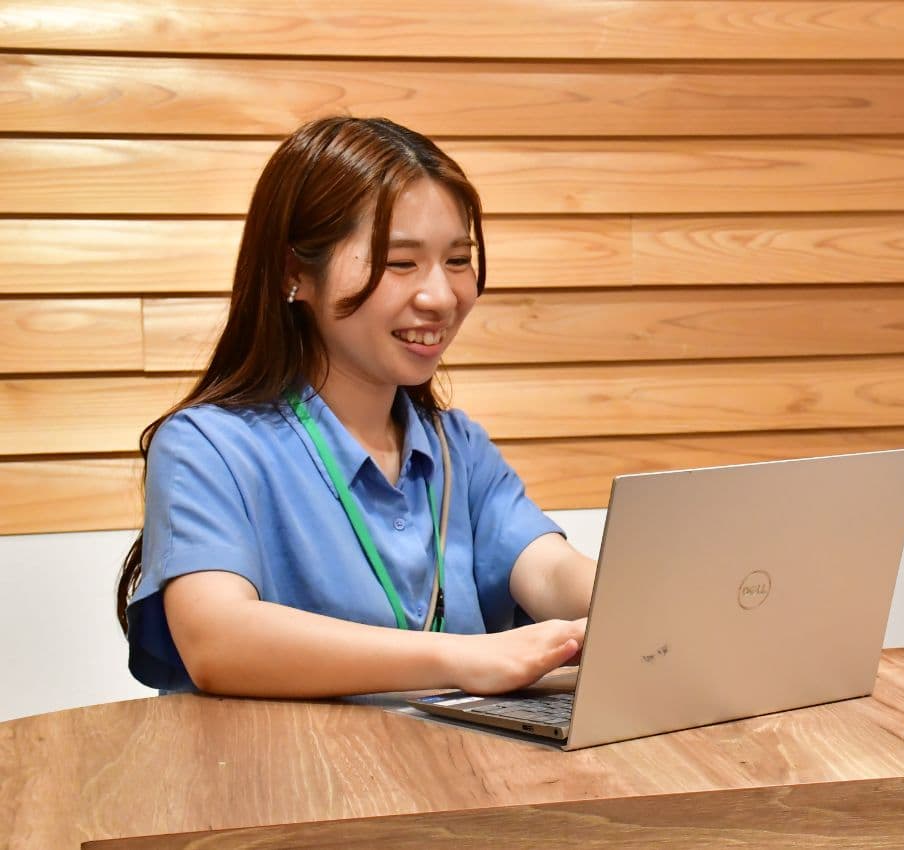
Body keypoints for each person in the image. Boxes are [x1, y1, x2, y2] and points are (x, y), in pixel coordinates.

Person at [119, 117, 596, 696]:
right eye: (400, 263)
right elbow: (217, 639)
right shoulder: (209, 446)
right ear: (296, 273)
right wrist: (464, 657)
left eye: (457, 260)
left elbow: (549, 571)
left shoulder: (457, 447)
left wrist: (641, 604)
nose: (440, 297)